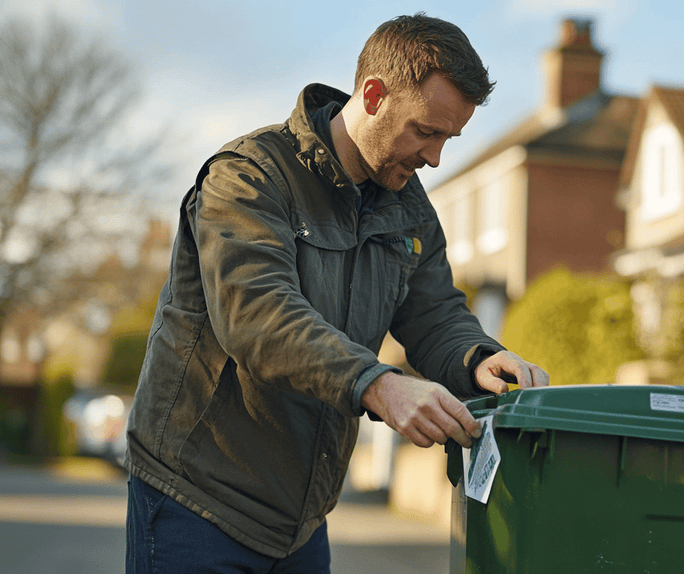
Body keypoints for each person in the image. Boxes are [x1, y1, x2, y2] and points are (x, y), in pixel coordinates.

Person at [125, 13, 548, 573]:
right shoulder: (248, 178)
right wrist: (379, 385)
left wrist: (480, 358)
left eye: (449, 138)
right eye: (425, 131)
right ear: (373, 94)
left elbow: (435, 314)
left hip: (299, 524)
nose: (436, 157)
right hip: (196, 502)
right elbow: (257, 314)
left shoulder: (408, 208)